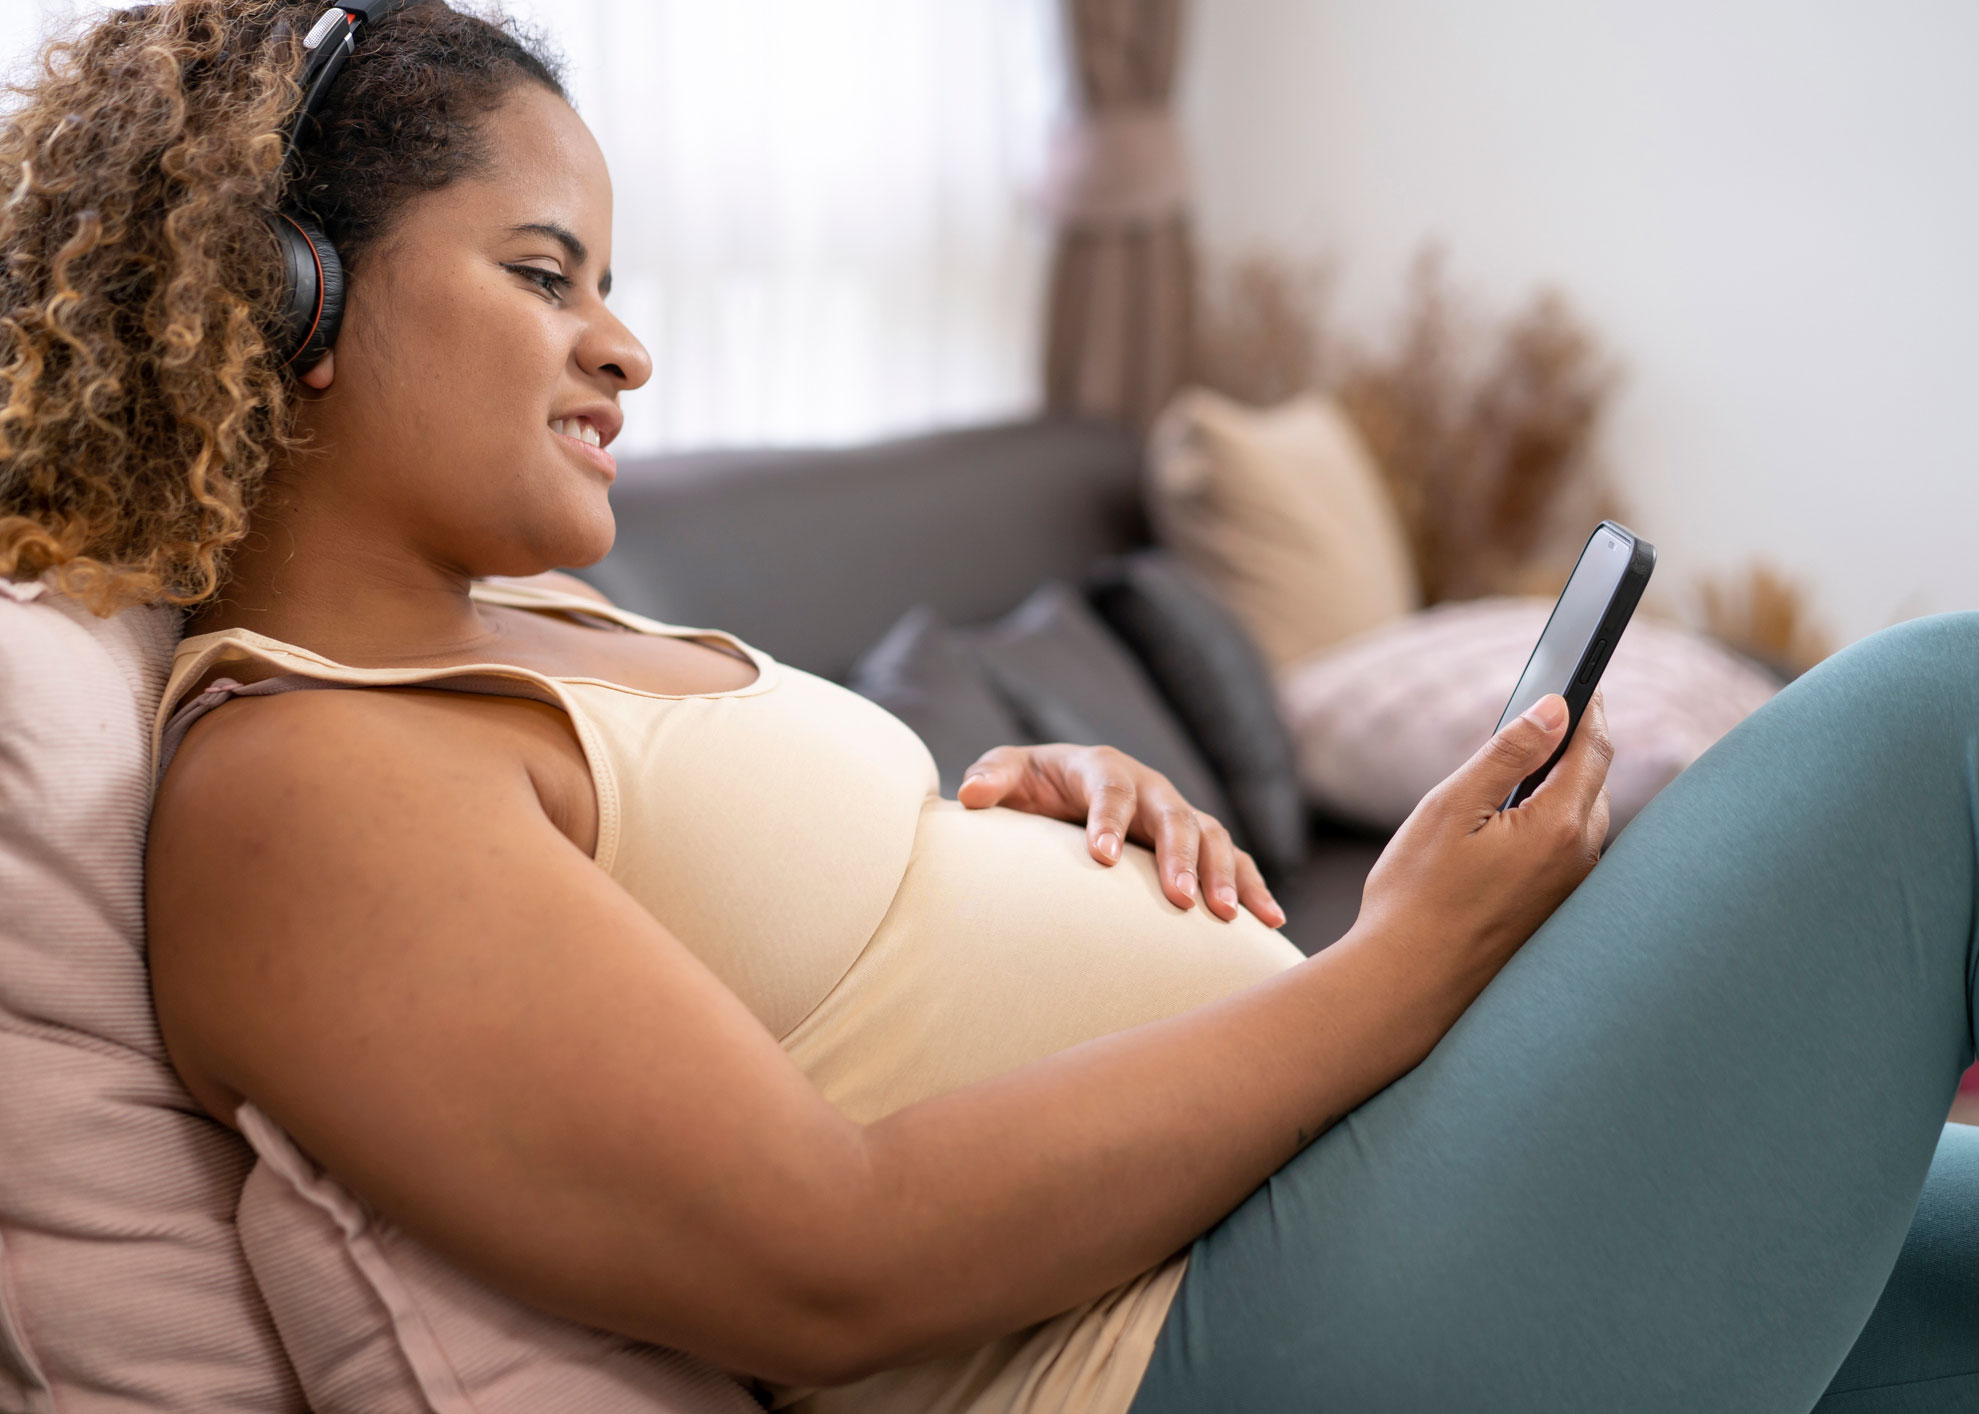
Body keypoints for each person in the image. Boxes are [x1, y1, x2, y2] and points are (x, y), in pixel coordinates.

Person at [3, 3, 1975, 1410]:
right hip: (1218, 1339)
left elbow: (792, 966)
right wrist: (1393, 968)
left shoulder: (521, 622)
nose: (626, 343)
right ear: (293, 302)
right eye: (546, 272)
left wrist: (999, 824)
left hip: (1333, 1202)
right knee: (1938, 723)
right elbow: (825, 1251)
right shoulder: (298, 779)